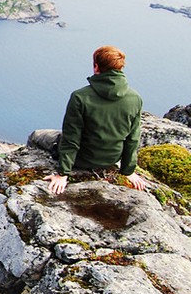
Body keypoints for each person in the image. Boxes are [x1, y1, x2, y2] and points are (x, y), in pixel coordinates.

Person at [46, 45, 146, 194]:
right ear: (120, 68)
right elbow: (133, 138)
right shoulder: (135, 98)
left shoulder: (80, 97)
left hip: (82, 159)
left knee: (38, 135)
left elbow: (71, 138)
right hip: (111, 159)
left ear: (96, 67)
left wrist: (63, 174)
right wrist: (128, 170)